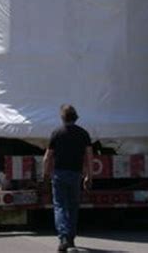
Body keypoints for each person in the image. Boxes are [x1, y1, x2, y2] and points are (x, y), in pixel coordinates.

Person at [43, 104, 93, 252]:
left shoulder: (56, 133)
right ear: (75, 117)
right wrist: (89, 175)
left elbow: (47, 157)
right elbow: (89, 157)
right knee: (73, 206)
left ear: (62, 118)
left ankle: (64, 237)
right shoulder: (83, 134)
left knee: (60, 206)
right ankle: (71, 238)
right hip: (76, 174)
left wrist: (45, 174)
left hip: (59, 174)